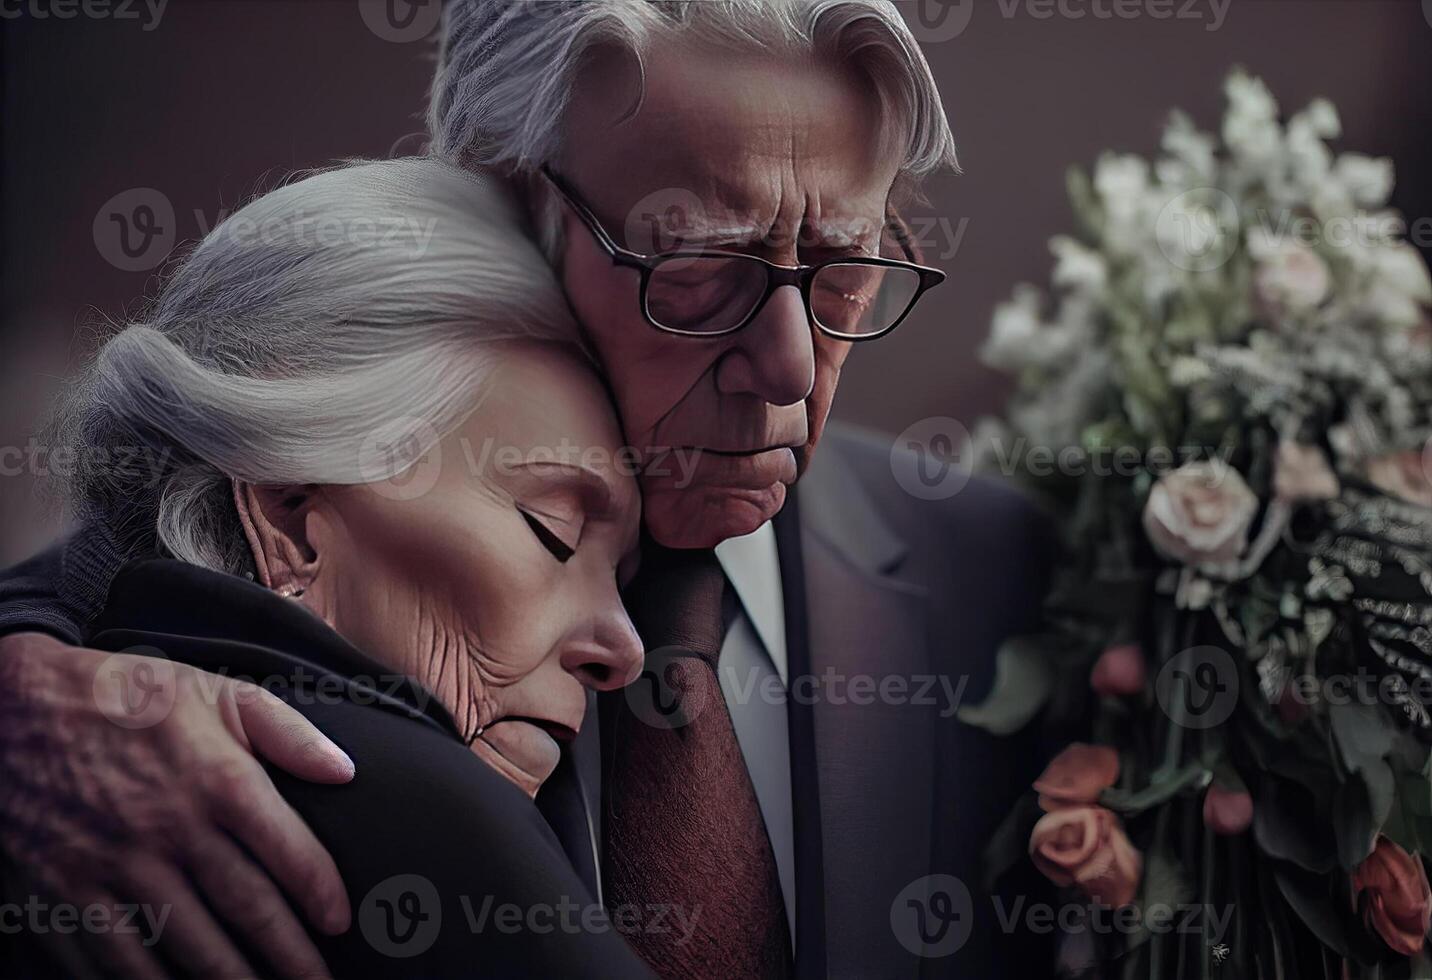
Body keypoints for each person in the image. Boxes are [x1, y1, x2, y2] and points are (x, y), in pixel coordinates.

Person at [0, 2, 1056, 976]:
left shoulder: (1017, 576)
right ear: (499, 200)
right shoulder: (110, 647)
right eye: (696, 265)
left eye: (844, 266)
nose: (788, 366)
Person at [6, 155, 654, 979]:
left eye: (621, 574)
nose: (627, 648)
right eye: (553, 532)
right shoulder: (419, 810)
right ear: (287, 515)